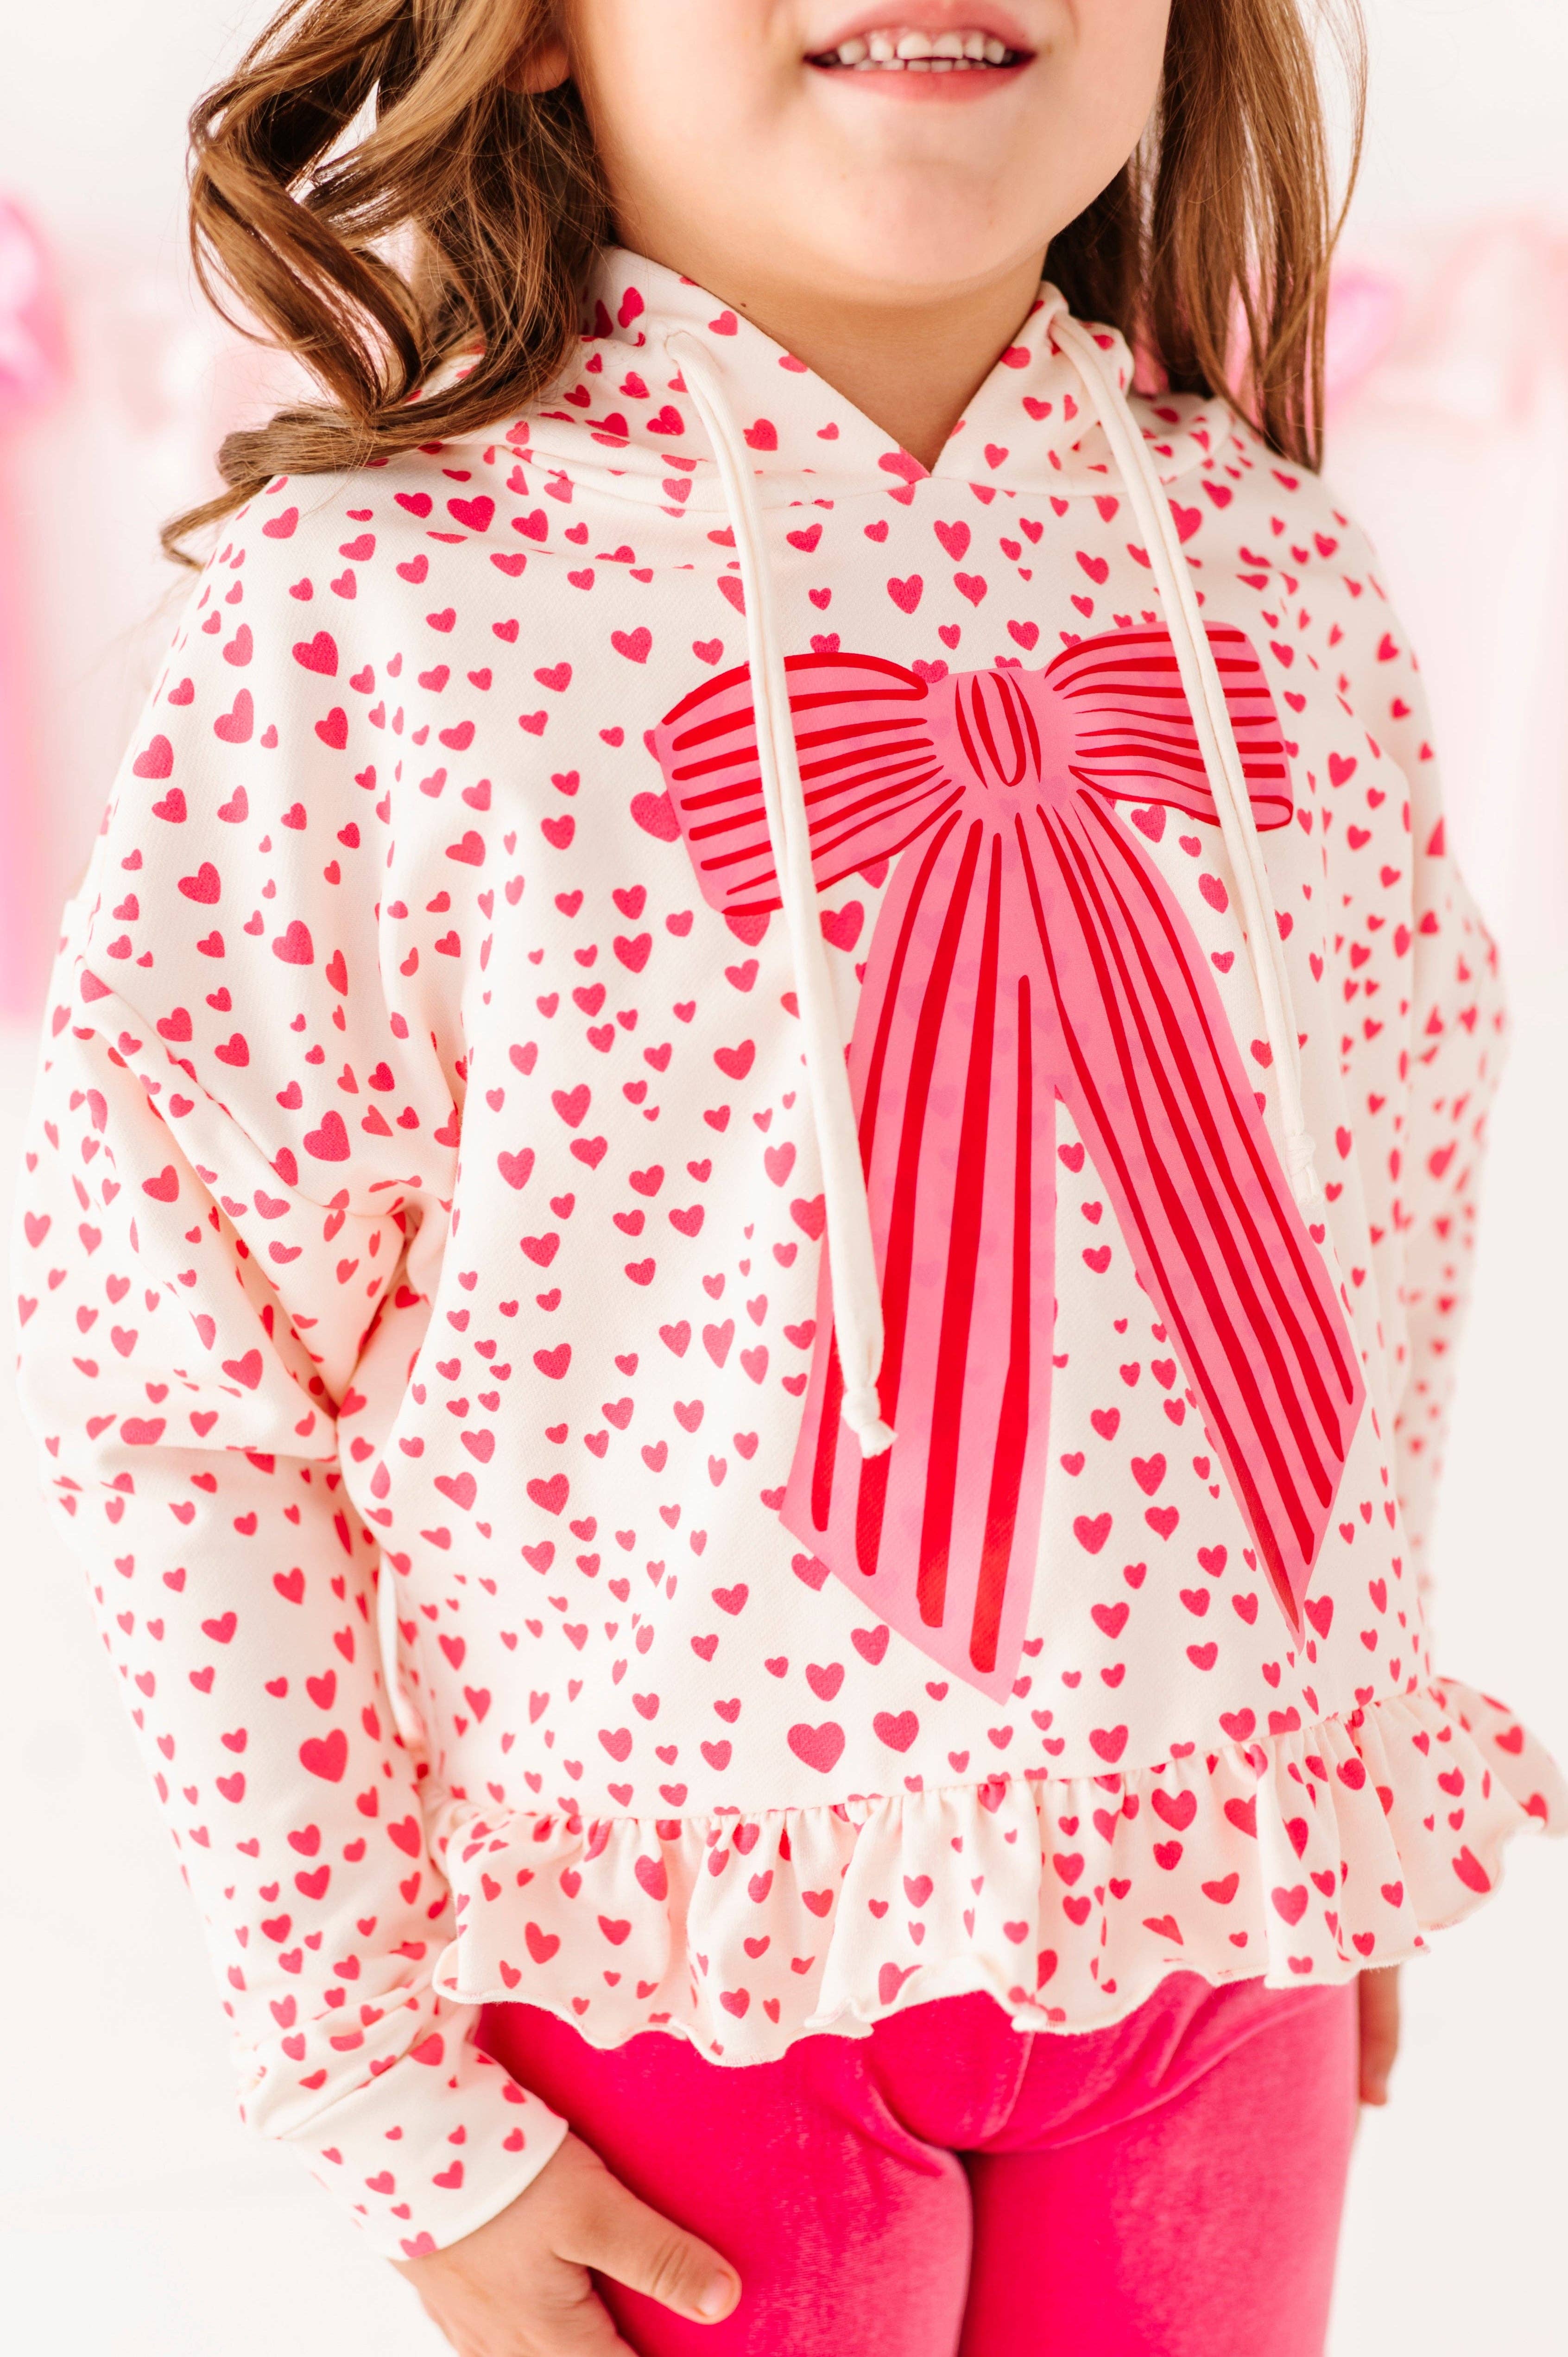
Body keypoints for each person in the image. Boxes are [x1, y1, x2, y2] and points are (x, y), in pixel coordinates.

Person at [13, 5, 1565, 2353]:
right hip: (664, 1973)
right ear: (537, 32)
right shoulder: (381, 612)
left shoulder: (1279, 579)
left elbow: (1393, 1189)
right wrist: (371, 2078)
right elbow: (178, 1366)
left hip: (1212, 1931)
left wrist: (1334, 1778)